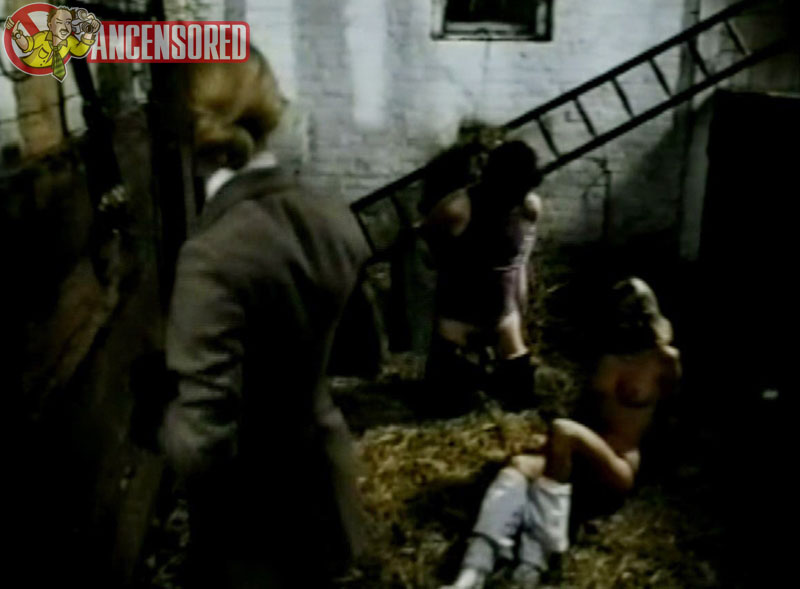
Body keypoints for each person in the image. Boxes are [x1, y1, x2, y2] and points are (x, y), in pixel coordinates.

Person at [161, 48, 370, 588]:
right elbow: (363, 350)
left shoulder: (211, 254)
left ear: (185, 128)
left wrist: (160, 424)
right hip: (326, 490)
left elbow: (202, 440)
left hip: (257, 524)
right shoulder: (333, 215)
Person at [442, 278, 681, 588]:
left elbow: (671, 416)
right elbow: (585, 413)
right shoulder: (606, 357)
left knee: (563, 431)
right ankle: (474, 568)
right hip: (580, 454)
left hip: (618, 463)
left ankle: (535, 560)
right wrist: (547, 447)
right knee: (517, 467)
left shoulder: (664, 360)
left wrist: (666, 470)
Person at [420, 140, 542, 412]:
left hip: (502, 311)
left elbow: (521, 258)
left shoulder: (528, 207)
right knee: (446, 405)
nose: (518, 195)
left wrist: (520, 301)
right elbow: (426, 244)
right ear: (496, 180)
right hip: (458, 311)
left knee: (521, 399)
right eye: (514, 188)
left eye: (524, 188)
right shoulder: (457, 209)